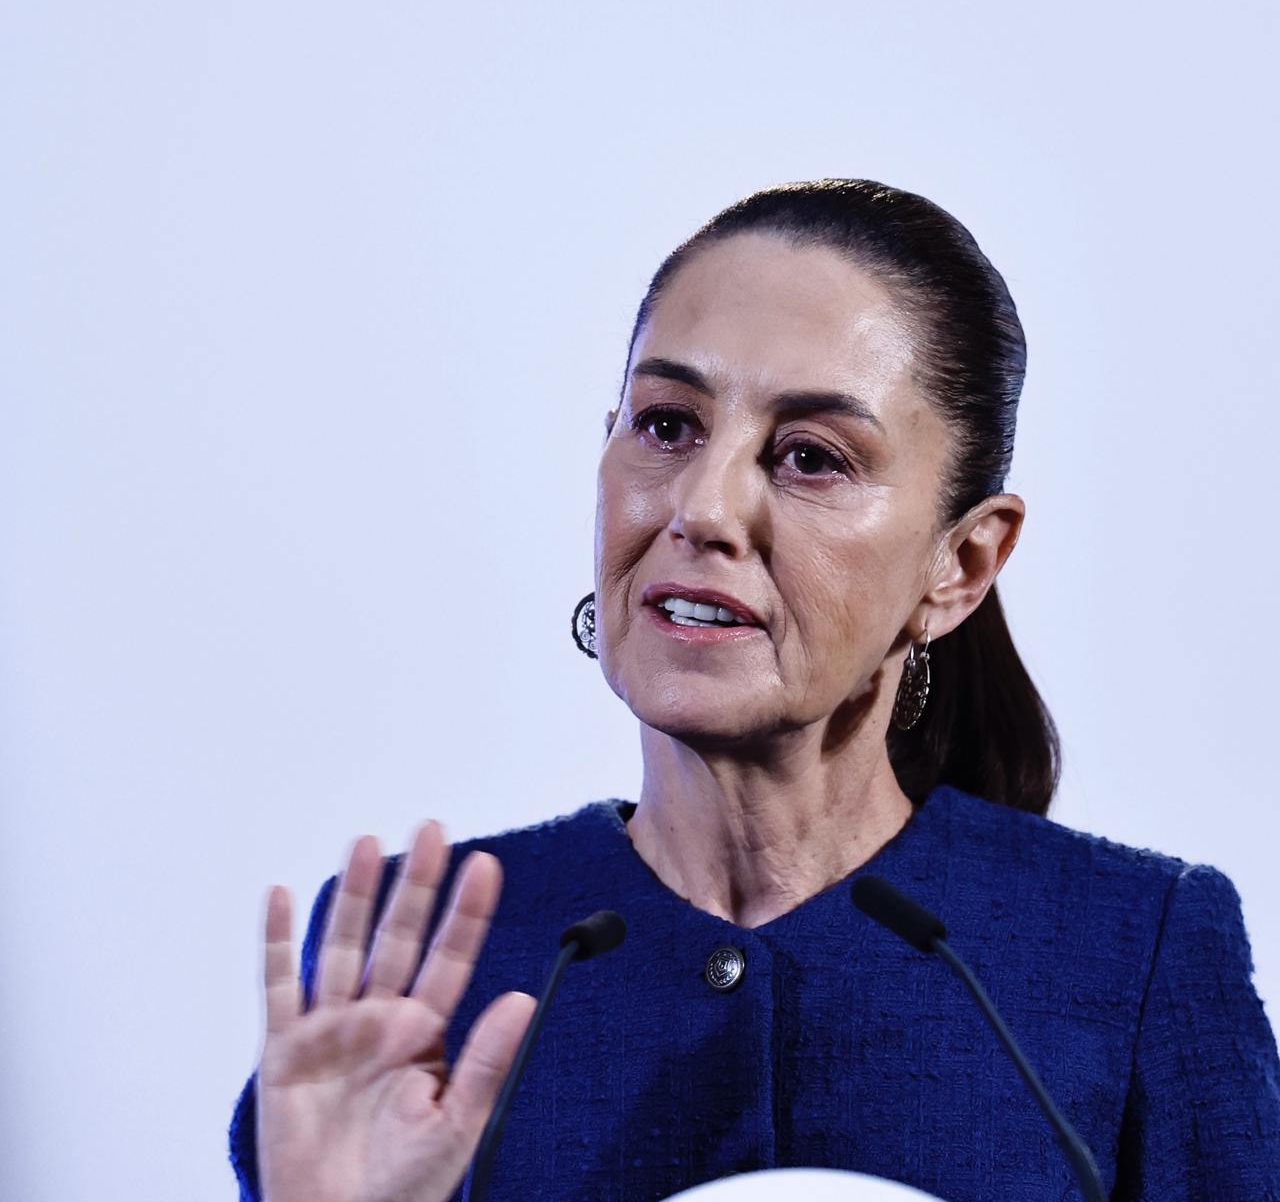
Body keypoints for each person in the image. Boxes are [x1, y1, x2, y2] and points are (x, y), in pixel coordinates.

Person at [229, 179, 1280, 1202]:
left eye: (810, 456)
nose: (700, 507)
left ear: (958, 564)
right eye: (668, 426)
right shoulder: (412, 968)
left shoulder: (1129, 947)